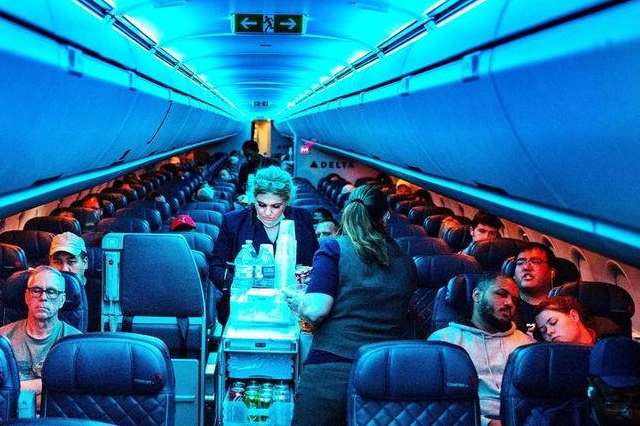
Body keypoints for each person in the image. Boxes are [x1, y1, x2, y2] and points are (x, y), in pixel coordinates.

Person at [291, 185, 416, 426]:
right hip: (383, 371)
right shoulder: (407, 262)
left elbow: (316, 310)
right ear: (385, 217)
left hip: (332, 370)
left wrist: (300, 303)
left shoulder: (334, 248)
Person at [210, 165, 319, 325]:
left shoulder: (303, 219)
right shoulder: (234, 222)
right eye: (261, 205)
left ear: (286, 201)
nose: (268, 213)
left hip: (292, 307)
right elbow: (216, 268)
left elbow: (315, 263)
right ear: (254, 199)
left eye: (276, 206)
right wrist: (241, 283)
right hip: (246, 307)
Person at [429, 272, 534, 426]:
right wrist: (487, 423)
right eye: (501, 294)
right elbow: (437, 401)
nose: (509, 303)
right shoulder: (445, 341)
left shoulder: (526, 344)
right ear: (477, 295)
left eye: (514, 300)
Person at [0, 266, 80, 396]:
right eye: (36, 290)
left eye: (51, 292)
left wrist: (14, 387)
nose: (43, 297)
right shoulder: (1, 338)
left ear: (61, 300)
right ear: (27, 297)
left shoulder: (77, 343)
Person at [533, 295, 621, 344]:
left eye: (553, 322)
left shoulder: (610, 345)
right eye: (543, 330)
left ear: (574, 316)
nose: (549, 332)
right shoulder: (550, 360)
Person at [513, 242, 557, 333]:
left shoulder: (564, 308)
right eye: (520, 263)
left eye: (535, 262)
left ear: (552, 271)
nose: (526, 267)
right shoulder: (508, 307)